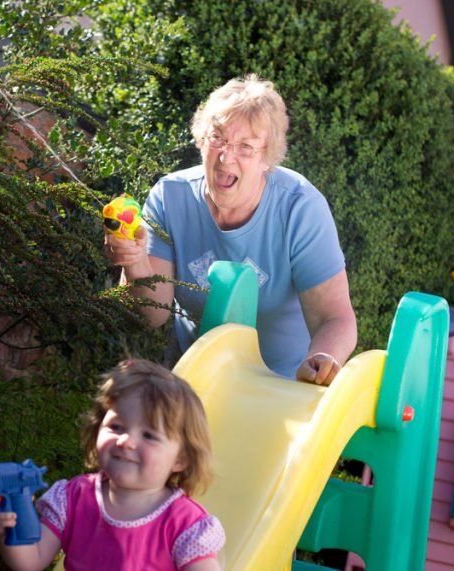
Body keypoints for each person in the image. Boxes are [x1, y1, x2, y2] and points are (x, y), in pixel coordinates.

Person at [105, 75, 357, 386]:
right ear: (201, 140)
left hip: (282, 385)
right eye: (218, 139)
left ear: (267, 158)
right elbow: (151, 316)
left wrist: (320, 362)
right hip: (195, 380)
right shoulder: (170, 197)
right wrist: (134, 262)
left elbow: (336, 318)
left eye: (246, 147)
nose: (226, 157)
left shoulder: (300, 208)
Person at [0, 359, 225, 571]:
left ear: (180, 459)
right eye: (117, 427)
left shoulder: (185, 525)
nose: (126, 441)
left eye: (149, 435)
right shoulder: (73, 498)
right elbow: (31, 561)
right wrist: (9, 530)